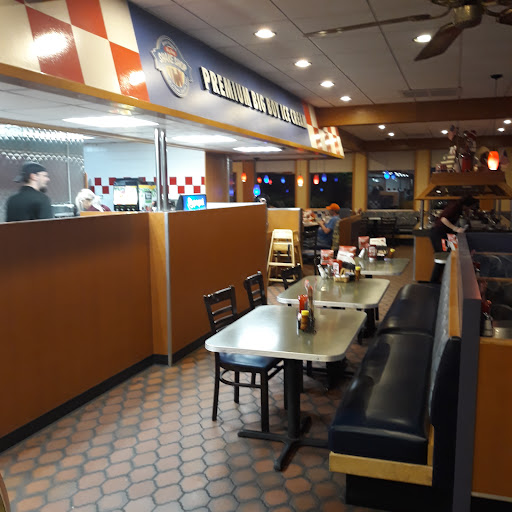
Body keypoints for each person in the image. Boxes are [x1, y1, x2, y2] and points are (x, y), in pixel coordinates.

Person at [429, 194, 478, 282]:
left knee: (453, 254)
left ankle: (448, 280)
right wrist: (456, 229)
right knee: (442, 257)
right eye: (470, 207)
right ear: (467, 205)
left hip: (448, 234)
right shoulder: (454, 208)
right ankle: (434, 282)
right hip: (439, 233)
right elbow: (444, 219)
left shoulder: (459, 209)